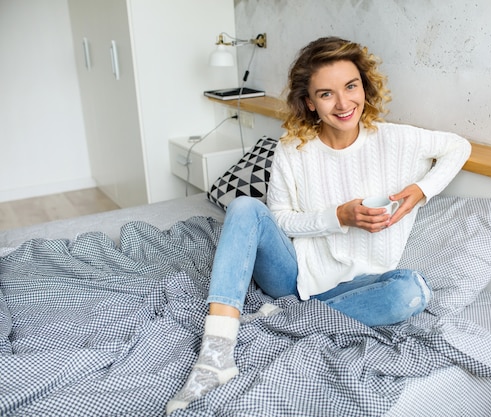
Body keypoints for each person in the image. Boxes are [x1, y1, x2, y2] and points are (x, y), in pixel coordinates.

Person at [166, 36, 471, 414]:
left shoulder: (398, 140)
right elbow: (279, 219)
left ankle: (288, 318)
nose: (343, 104)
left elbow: (459, 147)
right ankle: (216, 356)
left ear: (364, 85)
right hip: (294, 274)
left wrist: (420, 191)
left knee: (411, 292)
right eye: (326, 94)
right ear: (309, 102)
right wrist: (337, 217)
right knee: (245, 207)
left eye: (351, 86)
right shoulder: (293, 149)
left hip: (361, 281)